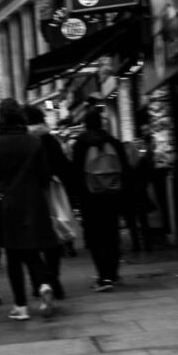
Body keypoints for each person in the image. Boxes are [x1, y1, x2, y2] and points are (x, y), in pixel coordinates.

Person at [0, 98, 57, 320]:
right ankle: (44, 284)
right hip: (33, 202)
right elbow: (45, 176)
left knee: (13, 255)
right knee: (32, 249)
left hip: (7, 203)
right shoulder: (34, 142)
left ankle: (20, 306)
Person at [72, 109, 129, 291]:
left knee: (96, 238)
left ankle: (103, 278)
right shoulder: (113, 141)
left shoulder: (80, 144)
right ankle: (113, 274)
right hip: (112, 197)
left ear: (86, 124)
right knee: (112, 235)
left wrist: (78, 199)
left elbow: (75, 174)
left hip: (91, 199)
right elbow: (125, 169)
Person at [24, 104, 73, 301]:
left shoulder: (23, 141)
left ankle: (38, 283)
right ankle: (54, 281)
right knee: (53, 239)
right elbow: (63, 167)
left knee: (31, 240)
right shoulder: (49, 140)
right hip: (51, 194)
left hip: (28, 196)